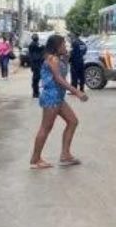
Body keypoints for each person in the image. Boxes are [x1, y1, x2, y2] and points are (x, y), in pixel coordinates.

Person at [30, 34, 88, 169]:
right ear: (56, 46)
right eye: (63, 44)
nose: (65, 46)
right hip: (51, 96)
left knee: (73, 121)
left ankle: (65, 155)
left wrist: (66, 57)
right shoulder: (52, 59)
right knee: (45, 128)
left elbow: (63, 70)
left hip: (58, 97)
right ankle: (35, 159)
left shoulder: (59, 58)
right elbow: (59, 79)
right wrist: (77, 92)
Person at [28, 34, 45, 98]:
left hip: (37, 63)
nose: (37, 38)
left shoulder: (37, 44)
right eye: (36, 37)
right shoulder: (33, 45)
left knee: (37, 78)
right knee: (36, 78)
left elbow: (42, 49)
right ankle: (35, 93)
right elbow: (41, 49)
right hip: (35, 63)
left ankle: (36, 92)